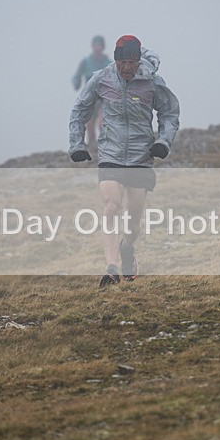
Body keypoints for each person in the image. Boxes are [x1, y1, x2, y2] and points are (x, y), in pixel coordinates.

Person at [69, 35, 180, 287]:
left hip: (141, 156)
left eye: (131, 62)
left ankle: (127, 247)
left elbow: (170, 113)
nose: (127, 67)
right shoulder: (102, 78)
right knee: (110, 206)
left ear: (138, 60)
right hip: (111, 153)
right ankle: (111, 268)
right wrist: (77, 144)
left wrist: (163, 141)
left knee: (133, 222)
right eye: (122, 62)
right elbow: (79, 110)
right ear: (116, 60)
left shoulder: (152, 81)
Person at [72, 35, 112, 149]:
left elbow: (115, 78)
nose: (97, 48)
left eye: (99, 45)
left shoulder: (109, 63)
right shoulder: (85, 62)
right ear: (92, 46)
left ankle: (106, 145)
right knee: (89, 126)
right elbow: (77, 75)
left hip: (104, 98)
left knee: (102, 123)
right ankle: (92, 149)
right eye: (95, 45)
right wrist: (76, 83)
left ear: (103, 47)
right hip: (89, 99)